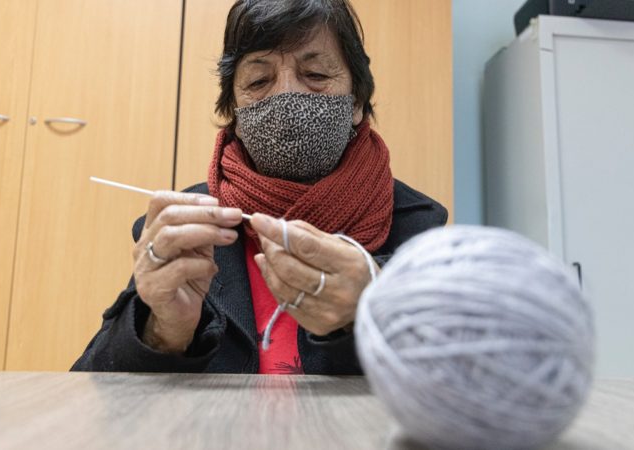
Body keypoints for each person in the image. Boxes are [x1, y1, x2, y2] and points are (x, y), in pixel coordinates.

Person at [72, 0, 447, 375]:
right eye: (257, 81)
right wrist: (162, 330)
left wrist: (379, 306)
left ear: (357, 103)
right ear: (233, 112)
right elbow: (92, 392)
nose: (285, 96)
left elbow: (463, 389)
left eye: (315, 74)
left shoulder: (416, 230)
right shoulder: (185, 228)